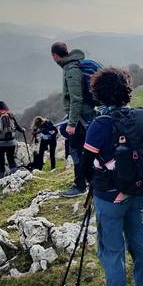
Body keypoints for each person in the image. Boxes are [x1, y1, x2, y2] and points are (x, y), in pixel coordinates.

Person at [79, 68, 143, 286]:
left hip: (109, 196)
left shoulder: (100, 124)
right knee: (138, 239)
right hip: (136, 191)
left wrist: (92, 180)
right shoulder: (136, 117)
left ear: (99, 94)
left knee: (112, 251)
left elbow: (85, 164)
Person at [51, 42, 98, 197]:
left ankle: (80, 185)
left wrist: (71, 123)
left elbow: (75, 98)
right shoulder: (73, 65)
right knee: (85, 149)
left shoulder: (71, 69)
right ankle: (91, 181)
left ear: (55, 56)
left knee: (76, 151)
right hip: (85, 115)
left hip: (81, 118)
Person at [0, 101, 25, 178]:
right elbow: (18, 127)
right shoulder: (11, 116)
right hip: (11, 143)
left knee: (1, 160)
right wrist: (23, 130)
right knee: (11, 159)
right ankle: (16, 177)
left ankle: (1, 178)